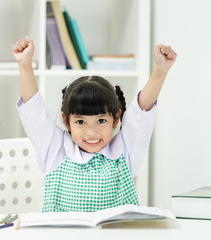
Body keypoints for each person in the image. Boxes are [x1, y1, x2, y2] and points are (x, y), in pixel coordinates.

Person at [13, 36, 177, 212]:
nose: (91, 132)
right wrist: (24, 64)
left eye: (101, 120)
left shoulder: (124, 152)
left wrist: (160, 70)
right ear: (67, 121)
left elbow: (142, 112)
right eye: (80, 122)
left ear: (115, 120)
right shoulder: (55, 151)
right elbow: (34, 114)